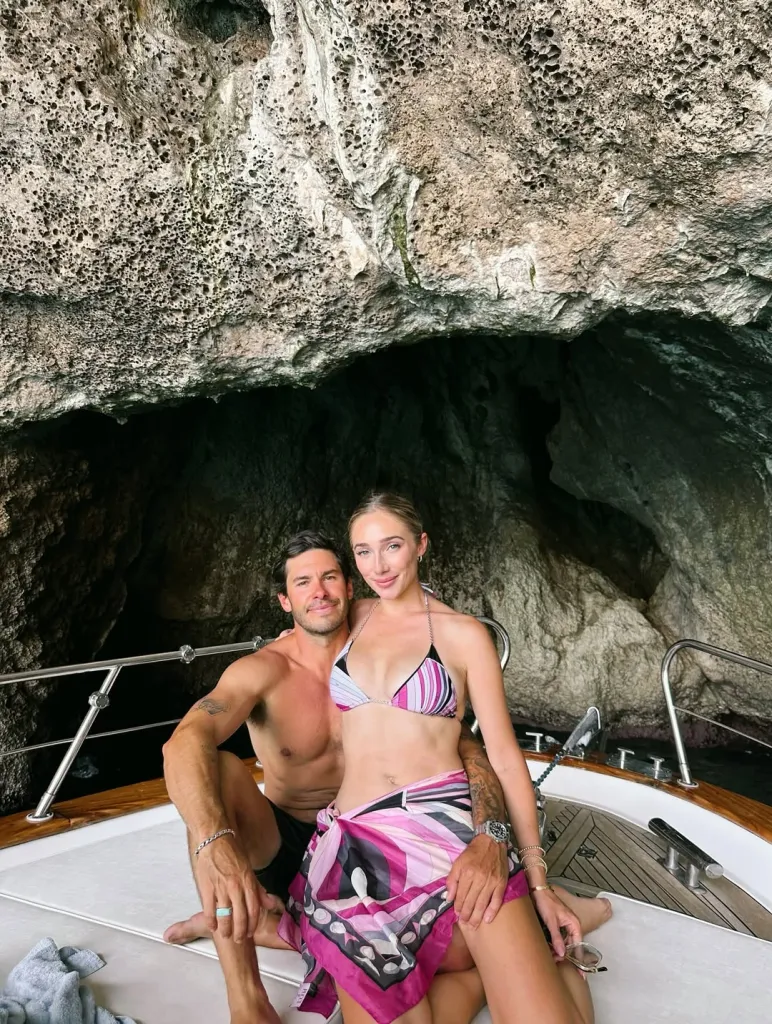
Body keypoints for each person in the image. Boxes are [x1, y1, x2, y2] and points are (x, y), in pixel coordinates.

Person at [162, 531, 537, 1024]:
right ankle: (246, 997)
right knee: (215, 772)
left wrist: (494, 836)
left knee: (465, 944)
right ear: (284, 600)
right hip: (286, 840)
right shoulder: (264, 669)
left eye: (329, 577)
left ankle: (262, 921)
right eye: (302, 583)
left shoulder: (385, 643)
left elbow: (459, 739)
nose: (318, 591)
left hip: (372, 841)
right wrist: (216, 845)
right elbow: (185, 739)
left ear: (350, 586)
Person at [278, 495, 603, 1024]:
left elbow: (502, 756)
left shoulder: (462, 635)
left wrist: (536, 881)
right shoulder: (349, 619)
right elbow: (286, 648)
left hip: (450, 832)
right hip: (356, 849)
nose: (378, 566)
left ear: (421, 546)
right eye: (363, 552)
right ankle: (483, 972)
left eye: (392, 546)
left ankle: (555, 959)